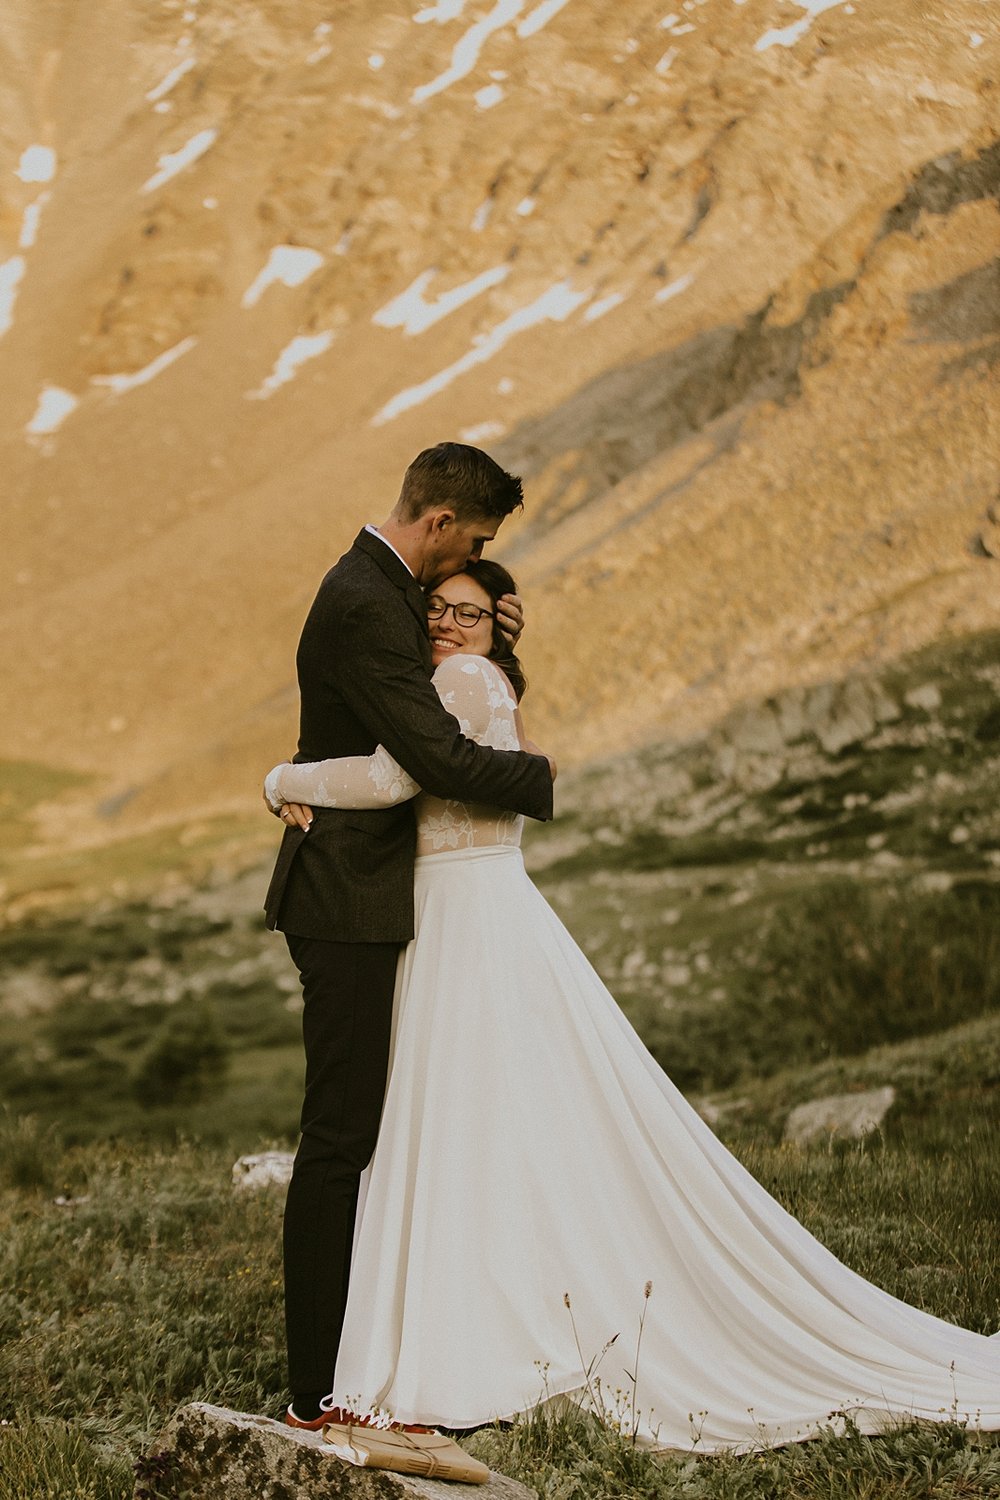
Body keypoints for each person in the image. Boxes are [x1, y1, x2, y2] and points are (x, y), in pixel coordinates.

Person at [265, 560, 1000, 1452]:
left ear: (500, 626)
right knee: (487, 1124)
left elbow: (389, 782)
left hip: (462, 917)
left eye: (468, 612)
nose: (446, 625)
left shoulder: (458, 682)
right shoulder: (469, 681)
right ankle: (492, 1307)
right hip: (479, 910)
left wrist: (282, 781)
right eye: (437, 609)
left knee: (457, 1122)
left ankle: (472, 1332)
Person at [262, 444, 554, 1429]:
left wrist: (490, 644)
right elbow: (423, 760)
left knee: (372, 1130)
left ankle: (365, 1350)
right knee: (341, 1136)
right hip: (345, 901)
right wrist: (539, 777)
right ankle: (314, 1392)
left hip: (369, 893)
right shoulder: (365, 601)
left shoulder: (381, 591)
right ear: (438, 525)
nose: (460, 566)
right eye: (469, 543)